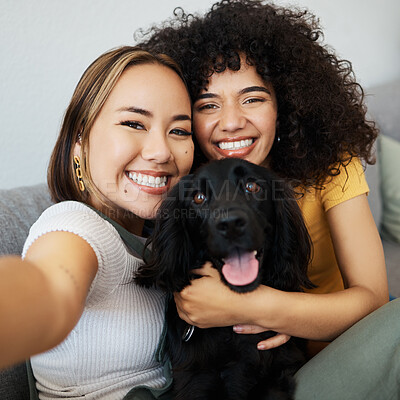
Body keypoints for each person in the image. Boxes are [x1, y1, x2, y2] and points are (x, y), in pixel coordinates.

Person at [140, 1, 400, 398]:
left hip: (339, 342)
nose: (231, 122)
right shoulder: (187, 188)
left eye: (253, 98)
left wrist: (255, 307)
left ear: (286, 104)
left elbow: (374, 301)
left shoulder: (331, 165)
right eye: (208, 105)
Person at [0, 46, 194, 399]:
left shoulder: (158, 241)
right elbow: (51, 289)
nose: (162, 151)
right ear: (80, 142)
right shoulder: (78, 227)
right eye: (134, 123)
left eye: (179, 131)